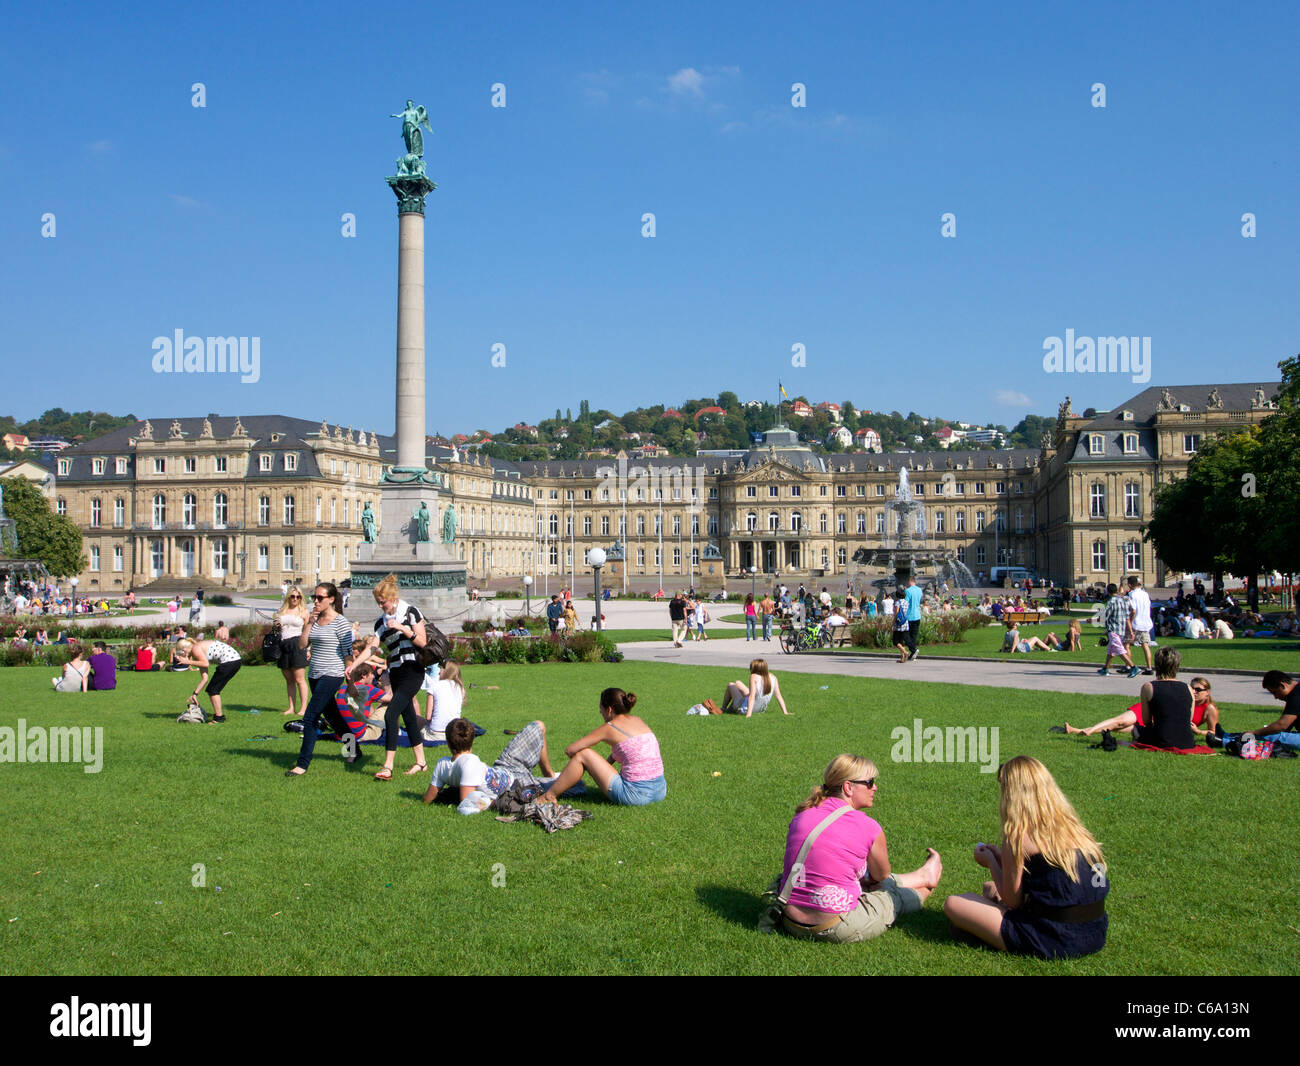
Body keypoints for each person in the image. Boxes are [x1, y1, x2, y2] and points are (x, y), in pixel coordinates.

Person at [944, 755, 1108, 959]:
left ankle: (983, 930)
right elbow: (1051, 876)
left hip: (1055, 937)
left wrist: (991, 862)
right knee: (989, 887)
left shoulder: (1018, 835)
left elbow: (1012, 901)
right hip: (1094, 931)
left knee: (954, 903)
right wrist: (1002, 858)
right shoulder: (1074, 829)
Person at [777, 754, 942, 943]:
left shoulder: (803, 813)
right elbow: (880, 877)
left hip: (788, 919)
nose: (875, 787)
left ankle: (922, 875)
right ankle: (925, 888)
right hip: (834, 926)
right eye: (870, 782)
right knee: (889, 894)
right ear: (848, 787)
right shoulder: (868, 826)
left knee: (856, 878)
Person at [536, 688, 666, 806]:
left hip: (635, 795)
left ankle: (549, 796)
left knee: (583, 754)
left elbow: (570, 750)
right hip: (660, 790)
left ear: (609, 709)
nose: (600, 712)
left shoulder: (610, 727)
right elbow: (629, 750)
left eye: (601, 709)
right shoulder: (638, 720)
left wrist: (582, 765)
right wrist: (596, 769)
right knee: (586, 757)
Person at [285, 582, 358, 776]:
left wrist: (350, 683)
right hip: (315, 674)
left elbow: (348, 655)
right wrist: (309, 623)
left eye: (320, 598)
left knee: (310, 718)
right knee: (333, 717)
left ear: (331, 599)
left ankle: (302, 764)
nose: (315, 601)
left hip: (332, 674)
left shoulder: (341, 622)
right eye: (314, 598)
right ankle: (354, 751)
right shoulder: (314, 620)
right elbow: (302, 645)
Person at [422, 718, 559, 814]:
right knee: (570, 785)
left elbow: (427, 799)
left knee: (538, 726)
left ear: (447, 742)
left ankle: (549, 774)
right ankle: (552, 779)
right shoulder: (468, 762)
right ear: (472, 740)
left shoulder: (442, 764)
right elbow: (468, 803)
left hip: (505, 765)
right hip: (517, 785)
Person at [1063, 647, 1195, 747]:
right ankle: (1088, 730)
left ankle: (1093, 732)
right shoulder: (1188, 688)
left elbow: (1147, 721)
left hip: (1162, 739)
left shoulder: (1149, 687)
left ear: (1157, 665)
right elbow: (1188, 719)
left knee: (1136, 730)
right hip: (1187, 741)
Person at [369, 574, 431, 781]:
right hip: (395, 672)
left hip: (413, 670)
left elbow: (423, 642)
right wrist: (355, 665)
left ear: (393, 598)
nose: (380, 606)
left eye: (383, 602)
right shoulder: (381, 622)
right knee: (409, 718)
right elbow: (372, 647)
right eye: (378, 602)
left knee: (390, 715)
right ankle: (421, 762)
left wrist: (402, 628)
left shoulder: (410, 612)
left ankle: (388, 766)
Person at [1214, 670, 1300, 752]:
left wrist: (1255, 733)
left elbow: (1282, 725)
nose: (1276, 697)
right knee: (1271, 732)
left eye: (1275, 692)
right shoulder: (1295, 692)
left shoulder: (1296, 696)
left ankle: (1224, 741)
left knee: (1276, 736)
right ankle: (1227, 736)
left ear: (1282, 685)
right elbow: (1286, 727)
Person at [174, 635, 243, 723]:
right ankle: (219, 717)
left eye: (181, 652)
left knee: (213, 690)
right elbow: (205, 678)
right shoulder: (198, 652)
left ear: (185, 649)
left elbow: (205, 664)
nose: (182, 655)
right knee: (212, 689)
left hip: (230, 661)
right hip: (234, 661)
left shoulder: (196, 648)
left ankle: (219, 718)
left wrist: (187, 662)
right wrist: (195, 694)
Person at [276, 585, 310, 717]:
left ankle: (303, 708)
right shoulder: (281, 611)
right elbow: (275, 631)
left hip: (298, 644)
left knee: (299, 679)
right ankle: (291, 707)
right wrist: (275, 626)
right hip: (284, 644)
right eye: (293, 596)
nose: (295, 599)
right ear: (288, 597)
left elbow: (308, 632)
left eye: (298, 596)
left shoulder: (304, 612)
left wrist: (308, 649)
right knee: (289, 679)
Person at [721, 658, 790, 717]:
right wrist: (785, 712)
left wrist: (748, 714)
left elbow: (752, 696)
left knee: (731, 685)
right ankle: (730, 709)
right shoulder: (773, 677)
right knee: (738, 683)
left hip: (745, 709)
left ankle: (723, 708)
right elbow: (779, 696)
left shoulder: (754, 677)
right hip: (760, 709)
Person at [1098, 583, 1139, 678]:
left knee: (1119, 650)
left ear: (1108, 592)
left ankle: (1133, 667)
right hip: (1121, 629)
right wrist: (1130, 630)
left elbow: (1104, 616)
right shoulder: (1123, 600)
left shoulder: (1111, 602)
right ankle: (1105, 668)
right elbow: (1127, 617)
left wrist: (1092, 620)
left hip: (1113, 630)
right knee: (1111, 650)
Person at [421, 661, 466, 742]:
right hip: (454, 733)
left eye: (441, 668)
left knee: (415, 719)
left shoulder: (434, 686)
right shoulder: (460, 688)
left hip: (436, 733)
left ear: (446, 671)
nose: (439, 670)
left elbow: (428, 717)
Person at [1125, 576, 1155, 674]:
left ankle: (1129, 666)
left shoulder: (1132, 595)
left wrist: (1129, 621)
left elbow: (1133, 610)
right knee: (1145, 645)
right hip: (1145, 622)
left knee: (1126, 644)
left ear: (1130, 585)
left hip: (1135, 623)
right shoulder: (1145, 594)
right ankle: (1149, 668)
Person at [903, 575, 923, 661]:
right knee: (913, 636)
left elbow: (906, 603)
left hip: (909, 615)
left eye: (907, 582)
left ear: (910, 581)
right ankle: (913, 655)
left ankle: (914, 650)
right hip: (917, 615)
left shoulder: (908, 591)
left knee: (905, 635)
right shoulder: (919, 590)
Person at [893, 596, 910, 664]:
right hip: (905, 623)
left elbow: (896, 613)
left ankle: (905, 653)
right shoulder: (906, 602)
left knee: (895, 641)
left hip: (899, 624)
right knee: (901, 641)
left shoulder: (898, 603)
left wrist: (893, 622)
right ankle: (902, 658)